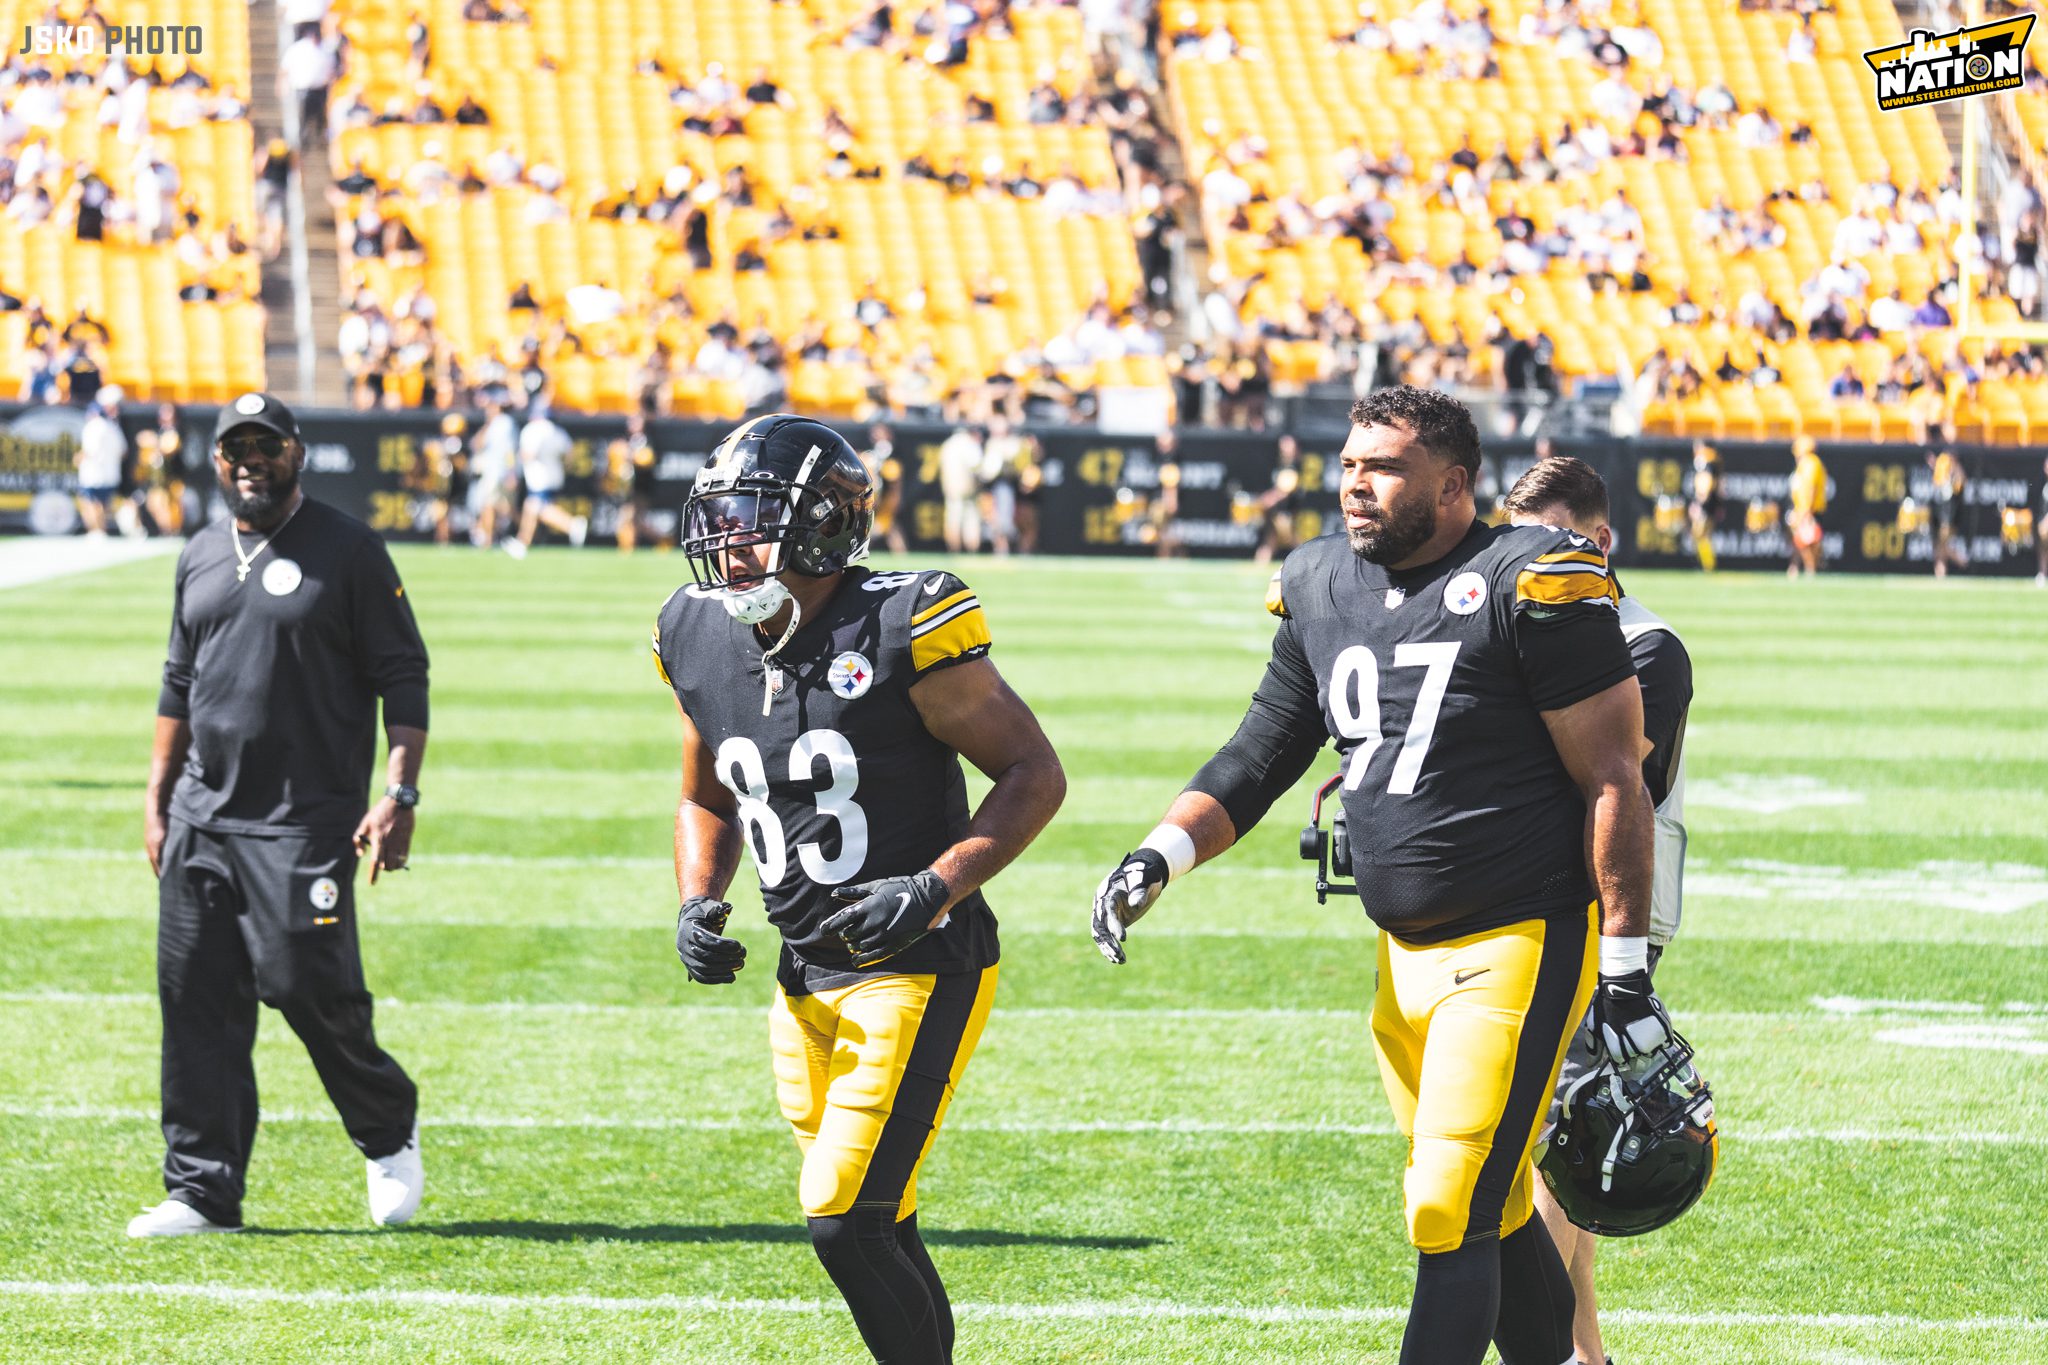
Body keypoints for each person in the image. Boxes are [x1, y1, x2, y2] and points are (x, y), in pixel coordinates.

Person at [1089, 387, 1667, 1365]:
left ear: (1451, 484)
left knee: (1446, 1206)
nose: (1355, 484)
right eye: (1349, 464)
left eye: (1382, 467)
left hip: (1518, 940)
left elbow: (1614, 776)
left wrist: (1623, 971)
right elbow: (1259, 753)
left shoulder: (1529, 577)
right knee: (1488, 1203)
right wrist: (1159, 851)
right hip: (1400, 958)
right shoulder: (1322, 582)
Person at [656, 415, 1066, 1364]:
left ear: (823, 524)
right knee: (883, 1218)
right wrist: (697, 897)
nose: (729, 541)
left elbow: (1033, 773)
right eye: (720, 518)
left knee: (844, 1218)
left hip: (918, 963)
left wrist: (933, 886)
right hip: (803, 978)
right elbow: (704, 790)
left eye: (754, 517)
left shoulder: (899, 619)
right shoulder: (693, 629)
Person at [130, 392, 428, 1237]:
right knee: (194, 998)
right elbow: (177, 682)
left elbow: (404, 677)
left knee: (306, 987)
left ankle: (387, 1122)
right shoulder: (197, 553)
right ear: (217, 461)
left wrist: (400, 792)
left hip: (303, 822)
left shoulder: (351, 551)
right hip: (201, 818)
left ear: (298, 452)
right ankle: (201, 1189)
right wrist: (156, 798)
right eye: (235, 448)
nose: (249, 459)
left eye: (266, 445)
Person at [1502, 456, 1694, 1365]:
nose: (1525, 563)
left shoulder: (1647, 643)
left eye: (1545, 542)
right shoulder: (1547, 629)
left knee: (1561, 1137)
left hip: (1612, 911)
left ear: (1598, 540)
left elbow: (1601, 774)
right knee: (1561, 1134)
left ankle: (1563, 1353)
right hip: (1545, 895)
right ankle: (1587, 1353)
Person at [507, 404, 588, 557]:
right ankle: (522, 542)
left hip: (539, 477)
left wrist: (514, 464)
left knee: (540, 508)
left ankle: (572, 525)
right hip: (554, 476)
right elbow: (570, 458)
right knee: (531, 507)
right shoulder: (558, 432)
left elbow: (528, 454)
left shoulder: (533, 430)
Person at [75, 385, 128, 536]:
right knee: (103, 504)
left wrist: (77, 459)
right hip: (110, 473)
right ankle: (101, 530)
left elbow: (88, 452)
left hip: (93, 473)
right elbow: (123, 452)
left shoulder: (94, 427)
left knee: (91, 503)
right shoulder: (113, 428)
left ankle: (97, 530)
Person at [937, 423, 984, 553]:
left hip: (950, 487)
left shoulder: (947, 444)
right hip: (968, 487)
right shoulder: (969, 444)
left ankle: (954, 551)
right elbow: (976, 465)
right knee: (971, 518)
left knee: (953, 518)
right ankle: (971, 551)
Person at [1786, 435, 1827, 578]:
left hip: (1808, 509)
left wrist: (1807, 511)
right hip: (1802, 508)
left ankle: (1811, 569)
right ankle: (1795, 567)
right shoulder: (1804, 465)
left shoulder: (1811, 463)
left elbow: (1811, 488)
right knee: (1800, 540)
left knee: (1806, 540)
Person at [1929, 447, 1966, 579]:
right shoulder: (1941, 470)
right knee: (1938, 546)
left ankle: (1962, 561)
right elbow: (1937, 486)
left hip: (1949, 513)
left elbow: (1959, 485)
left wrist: (1954, 469)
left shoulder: (1957, 470)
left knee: (1943, 544)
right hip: (1939, 510)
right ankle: (1940, 574)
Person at [1686, 441, 1722, 572]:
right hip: (1709, 504)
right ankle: (1707, 564)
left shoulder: (1706, 464)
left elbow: (1704, 488)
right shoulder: (1713, 464)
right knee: (1702, 535)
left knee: (1701, 534)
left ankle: (1708, 565)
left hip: (1705, 505)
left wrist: (1699, 505)